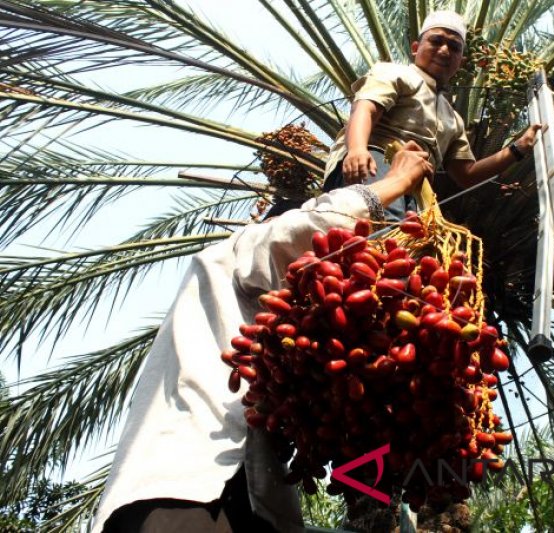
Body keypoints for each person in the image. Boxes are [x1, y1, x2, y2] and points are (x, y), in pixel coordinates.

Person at [93, 143, 434, 533]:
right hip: (182, 492)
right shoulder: (232, 255)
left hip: (251, 508)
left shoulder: (284, 360)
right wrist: (395, 183)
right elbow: (305, 230)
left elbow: (344, 421)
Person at [323, 10, 540, 220]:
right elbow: (365, 108)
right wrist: (357, 149)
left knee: (400, 243)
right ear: (416, 48)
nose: (445, 50)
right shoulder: (396, 73)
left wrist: (518, 148)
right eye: (436, 41)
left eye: (454, 47)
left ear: (460, 62)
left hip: (418, 187)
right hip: (375, 163)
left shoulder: (453, 119)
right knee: (381, 222)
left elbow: (467, 174)